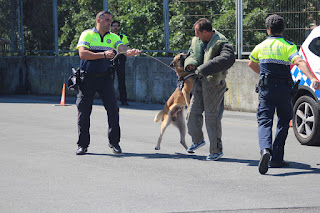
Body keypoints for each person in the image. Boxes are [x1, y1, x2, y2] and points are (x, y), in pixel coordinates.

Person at [248, 14, 320, 174]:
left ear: (268, 29)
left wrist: (263, 74)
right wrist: (312, 78)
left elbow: (251, 63)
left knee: (265, 121)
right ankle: (277, 159)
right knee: (283, 121)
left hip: (266, 89)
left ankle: (265, 150)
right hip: (284, 89)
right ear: (283, 29)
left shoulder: (261, 46)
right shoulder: (288, 45)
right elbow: (299, 62)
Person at [75, 11, 141, 155]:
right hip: (87, 78)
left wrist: (130, 52)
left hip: (105, 78)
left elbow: (122, 48)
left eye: (110, 21)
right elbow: (83, 54)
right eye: (107, 20)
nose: (110, 24)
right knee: (84, 112)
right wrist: (103, 54)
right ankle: (82, 145)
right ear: (99, 19)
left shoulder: (114, 37)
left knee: (113, 110)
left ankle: (114, 143)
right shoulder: (87, 34)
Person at [184, 18, 235, 161]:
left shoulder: (221, 42)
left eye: (197, 33)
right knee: (192, 114)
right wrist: (190, 65)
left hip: (214, 84)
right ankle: (198, 140)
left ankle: (216, 150)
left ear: (205, 32)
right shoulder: (198, 41)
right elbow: (191, 55)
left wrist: (203, 69)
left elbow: (228, 58)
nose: (196, 36)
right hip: (199, 83)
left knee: (212, 118)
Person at [111, 20, 130, 106]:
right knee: (109, 81)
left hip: (120, 59)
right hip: (110, 59)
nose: (115, 27)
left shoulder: (123, 37)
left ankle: (124, 100)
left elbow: (126, 47)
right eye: (114, 26)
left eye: (117, 26)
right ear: (111, 27)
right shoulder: (108, 36)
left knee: (121, 81)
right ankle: (110, 100)